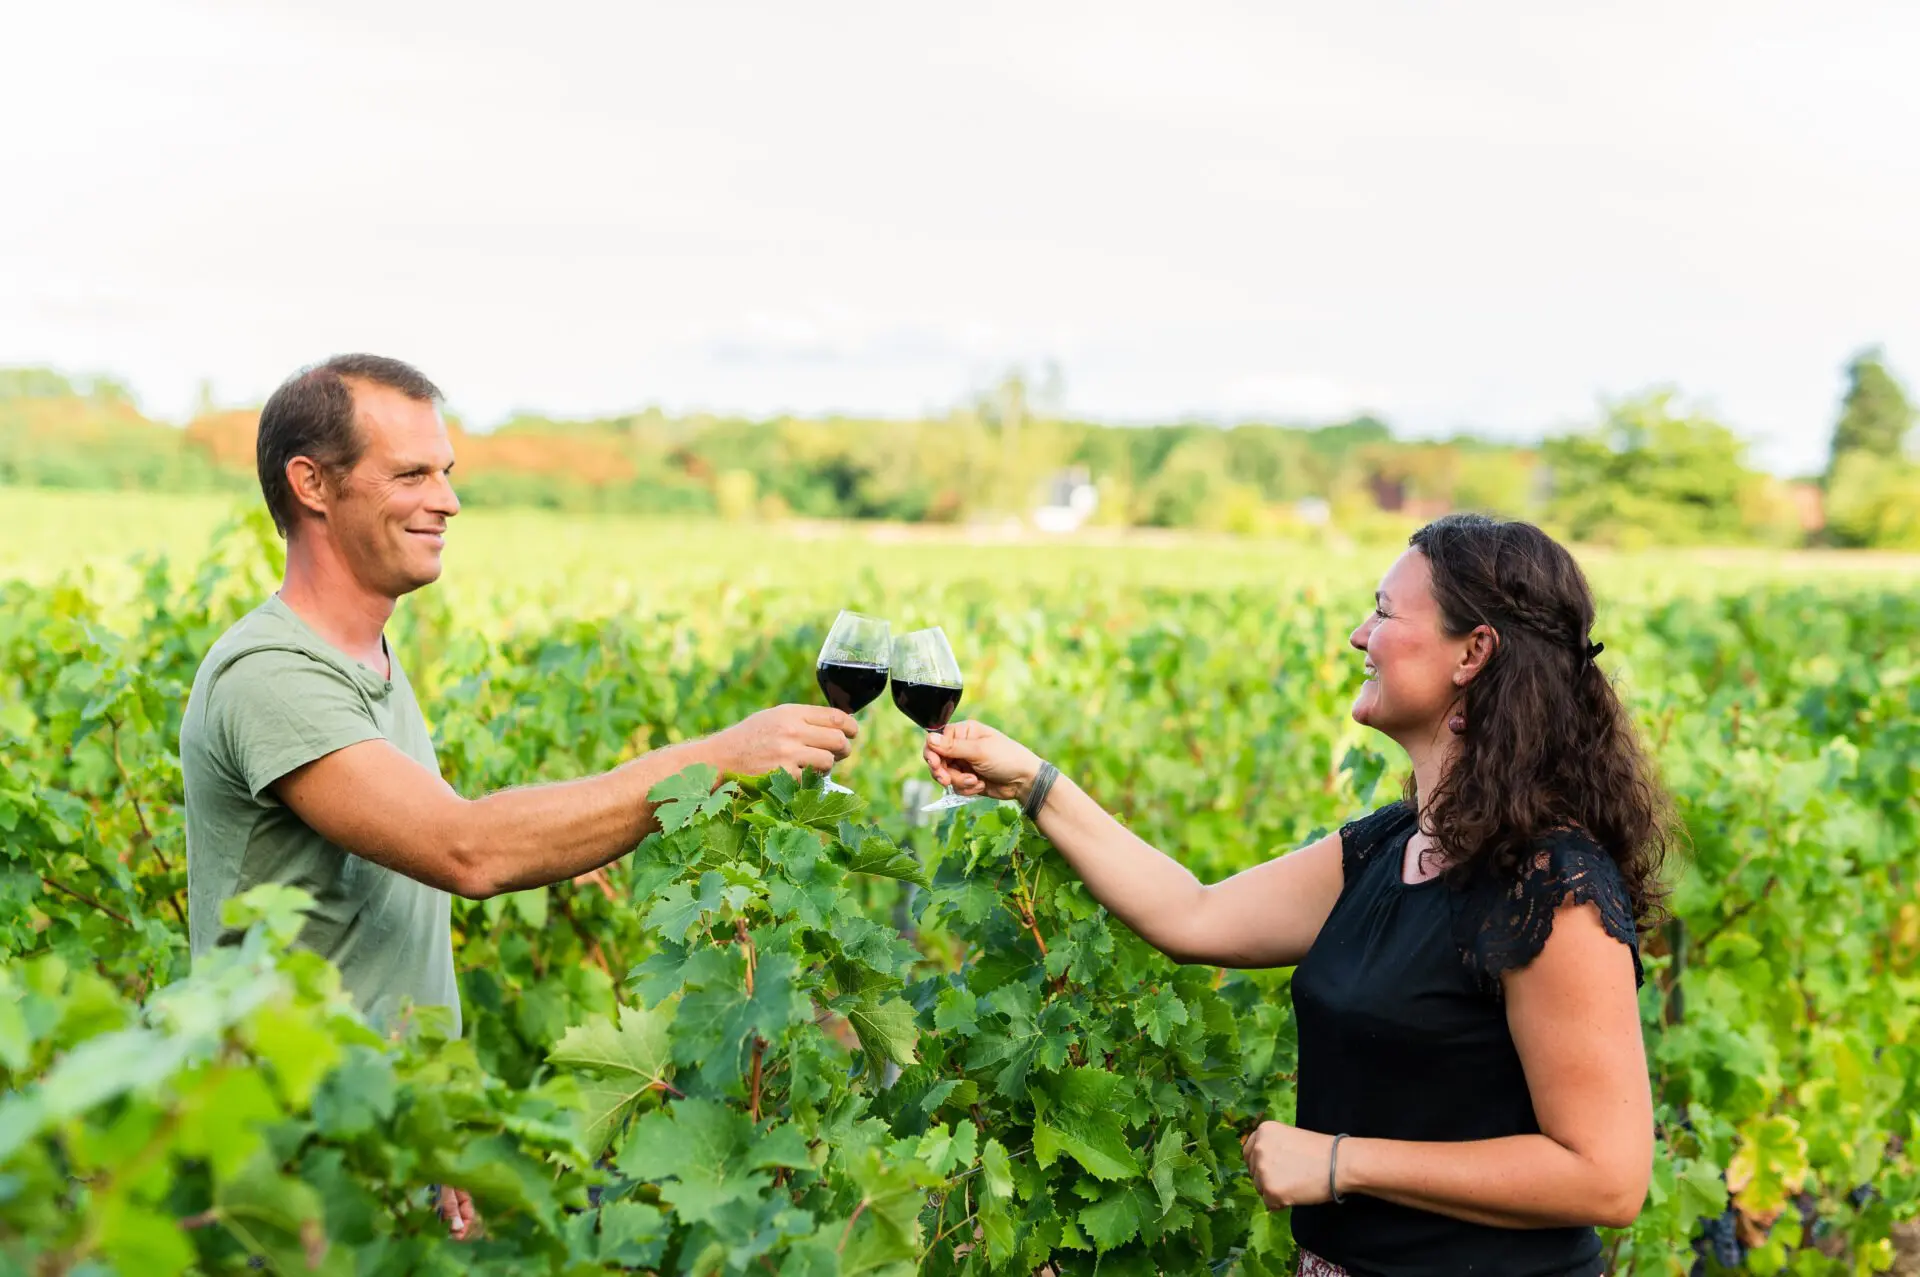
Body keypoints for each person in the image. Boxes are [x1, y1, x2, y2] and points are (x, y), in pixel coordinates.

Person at [179, 354, 857, 1239]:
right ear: (311, 484)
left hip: (380, 1140)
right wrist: (715, 760)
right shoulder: (272, 677)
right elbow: (469, 850)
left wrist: (437, 1119)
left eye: (447, 473)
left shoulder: (368, 661)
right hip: (287, 1170)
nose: (448, 501)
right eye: (412, 473)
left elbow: (386, 928)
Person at [923, 513, 1671, 1276]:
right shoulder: (1391, 845)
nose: (1357, 634)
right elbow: (1194, 913)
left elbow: (1606, 1176)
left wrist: (1344, 1162)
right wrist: (1031, 782)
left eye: (1383, 611)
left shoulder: (1551, 883)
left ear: (1473, 652)